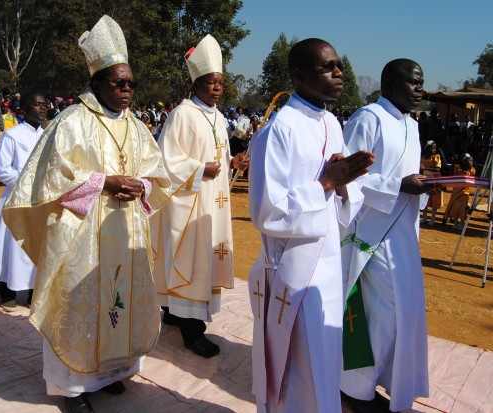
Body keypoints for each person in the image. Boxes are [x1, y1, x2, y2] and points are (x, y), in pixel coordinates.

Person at [2, 15, 171, 413]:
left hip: (126, 229)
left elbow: (158, 175)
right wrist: (104, 182)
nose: (127, 90)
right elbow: (48, 180)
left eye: (131, 83)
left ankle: (109, 371)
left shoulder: (138, 126)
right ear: (96, 83)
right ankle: (71, 389)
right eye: (118, 83)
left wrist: (141, 186)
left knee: (119, 302)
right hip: (83, 236)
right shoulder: (70, 122)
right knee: (79, 306)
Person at [247, 38, 373, 413]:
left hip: (329, 262)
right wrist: (326, 184)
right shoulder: (278, 131)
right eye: (328, 67)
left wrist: (345, 185)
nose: (339, 73)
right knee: (297, 371)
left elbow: (342, 198)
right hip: (294, 271)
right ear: (299, 75)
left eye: (340, 66)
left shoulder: (333, 123)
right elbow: (267, 212)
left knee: (325, 360)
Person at [340, 59, 431, 413]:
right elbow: (347, 176)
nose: (421, 90)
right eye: (415, 83)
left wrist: (423, 187)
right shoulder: (368, 118)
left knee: (403, 315)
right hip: (370, 236)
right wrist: (398, 186)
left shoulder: (411, 124)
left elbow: (408, 176)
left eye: (422, 84)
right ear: (391, 85)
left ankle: (389, 381)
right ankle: (354, 390)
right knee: (379, 317)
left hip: (403, 235)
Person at [150, 34, 248, 359]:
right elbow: (165, 161)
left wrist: (233, 162)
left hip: (214, 203)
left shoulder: (219, 117)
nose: (217, 88)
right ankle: (194, 333)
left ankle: (174, 313)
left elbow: (220, 157)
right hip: (189, 203)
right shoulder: (182, 114)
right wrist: (197, 170)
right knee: (193, 261)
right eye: (210, 82)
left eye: (220, 82)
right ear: (196, 84)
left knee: (202, 259)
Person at [0, 92, 47, 311]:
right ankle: (7, 291)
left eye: (44, 105)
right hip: (16, 198)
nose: (43, 108)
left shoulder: (47, 136)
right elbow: (3, 171)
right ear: (24, 110)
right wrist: (29, 182)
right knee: (11, 245)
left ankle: (31, 293)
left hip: (39, 201)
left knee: (35, 246)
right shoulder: (12, 135)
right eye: (37, 105)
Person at [443, 153, 475, 230]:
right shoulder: (458, 169)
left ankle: (461, 223)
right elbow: (452, 174)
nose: (471, 163)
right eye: (469, 161)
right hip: (456, 191)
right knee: (455, 206)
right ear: (464, 162)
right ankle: (456, 223)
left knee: (462, 208)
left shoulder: (471, 170)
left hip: (465, 192)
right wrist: (454, 162)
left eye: (472, 161)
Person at [420, 141, 443, 225]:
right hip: (426, 180)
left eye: (435, 148)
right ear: (427, 148)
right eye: (432, 147)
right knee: (425, 198)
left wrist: (425, 169)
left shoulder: (436, 157)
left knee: (434, 199)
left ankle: (432, 218)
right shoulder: (422, 158)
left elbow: (437, 169)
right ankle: (424, 217)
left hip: (435, 180)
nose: (434, 149)